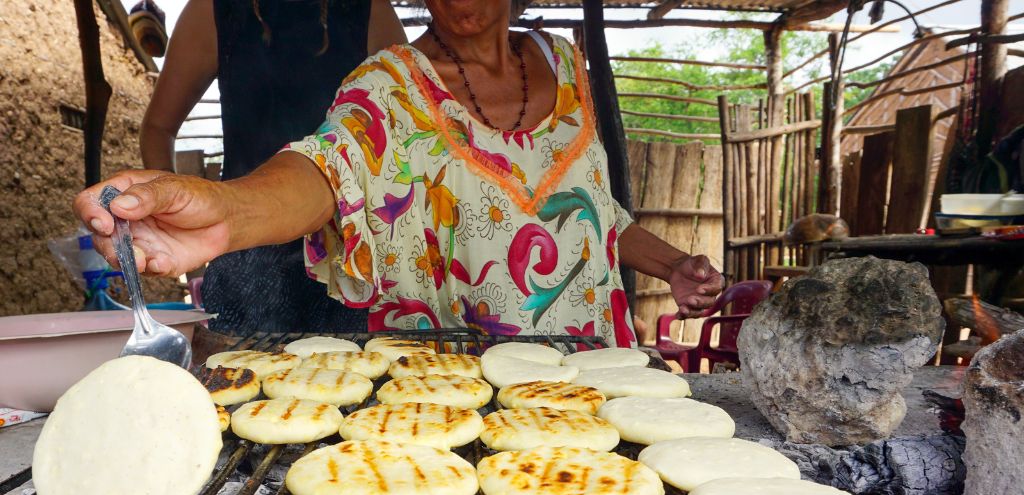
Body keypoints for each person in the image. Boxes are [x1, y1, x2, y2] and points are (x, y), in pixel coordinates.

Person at [78, 0, 723, 346]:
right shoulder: (390, 86)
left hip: (591, 384)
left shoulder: (566, 65)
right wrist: (222, 214)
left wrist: (670, 266)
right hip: (452, 398)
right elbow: (332, 168)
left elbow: (595, 213)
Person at [140, 0, 406, 334]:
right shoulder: (212, 10)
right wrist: (172, 223)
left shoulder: (370, 10)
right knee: (238, 377)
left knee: (353, 376)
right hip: (244, 254)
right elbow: (158, 129)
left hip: (346, 257)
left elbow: (407, 124)